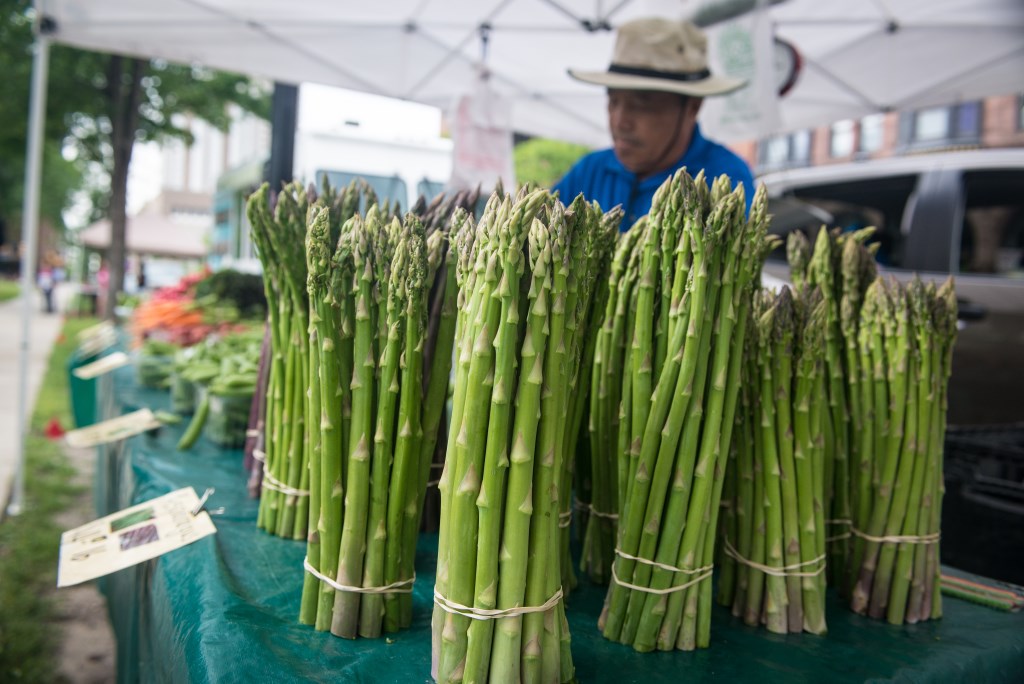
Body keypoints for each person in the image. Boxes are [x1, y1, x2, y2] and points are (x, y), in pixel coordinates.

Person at [554, 17, 755, 227]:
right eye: (613, 101)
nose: (620, 122)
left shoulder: (725, 178)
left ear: (693, 107)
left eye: (641, 105)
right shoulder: (590, 171)